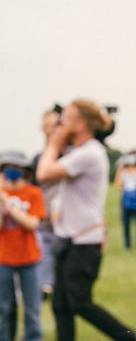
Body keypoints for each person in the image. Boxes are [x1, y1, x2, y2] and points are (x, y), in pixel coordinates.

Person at [35, 99, 136, 341]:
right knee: (61, 305)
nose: (61, 124)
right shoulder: (80, 151)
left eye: (67, 119)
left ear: (82, 124)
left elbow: (43, 173)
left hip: (85, 241)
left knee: (80, 303)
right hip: (70, 238)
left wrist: (53, 144)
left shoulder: (90, 153)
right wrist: (59, 142)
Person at [0, 152, 45, 341]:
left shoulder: (33, 193)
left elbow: (32, 224)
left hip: (29, 259)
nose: (11, 171)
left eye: (16, 167)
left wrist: (9, 205)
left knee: (31, 305)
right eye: (7, 167)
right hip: (4, 259)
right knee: (4, 305)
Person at [31, 106, 64, 297]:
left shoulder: (69, 156)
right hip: (44, 217)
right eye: (47, 126)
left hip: (65, 219)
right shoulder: (37, 159)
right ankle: (45, 285)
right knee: (43, 251)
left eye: (55, 125)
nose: (50, 130)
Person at [115, 152, 136, 250]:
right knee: (126, 224)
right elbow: (118, 184)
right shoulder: (122, 171)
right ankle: (127, 246)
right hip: (125, 200)